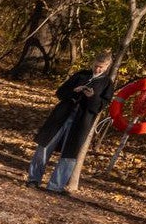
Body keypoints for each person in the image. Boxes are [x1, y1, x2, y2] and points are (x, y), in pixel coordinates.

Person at [27, 53, 115, 193]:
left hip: (81, 122)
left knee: (69, 154)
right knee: (44, 146)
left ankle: (55, 186)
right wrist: (74, 91)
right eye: (96, 66)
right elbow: (60, 92)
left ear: (107, 67)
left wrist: (92, 97)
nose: (97, 69)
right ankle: (33, 179)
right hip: (61, 116)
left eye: (101, 67)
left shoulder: (107, 83)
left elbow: (100, 106)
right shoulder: (81, 75)